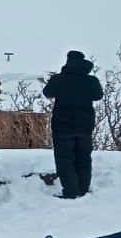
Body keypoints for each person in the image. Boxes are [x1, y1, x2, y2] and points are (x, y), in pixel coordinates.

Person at [43, 50, 103, 199]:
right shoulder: (91, 81)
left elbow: (47, 92)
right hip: (85, 126)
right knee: (84, 157)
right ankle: (83, 189)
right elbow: (98, 95)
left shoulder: (59, 79)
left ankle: (70, 191)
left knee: (64, 159)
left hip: (62, 127)